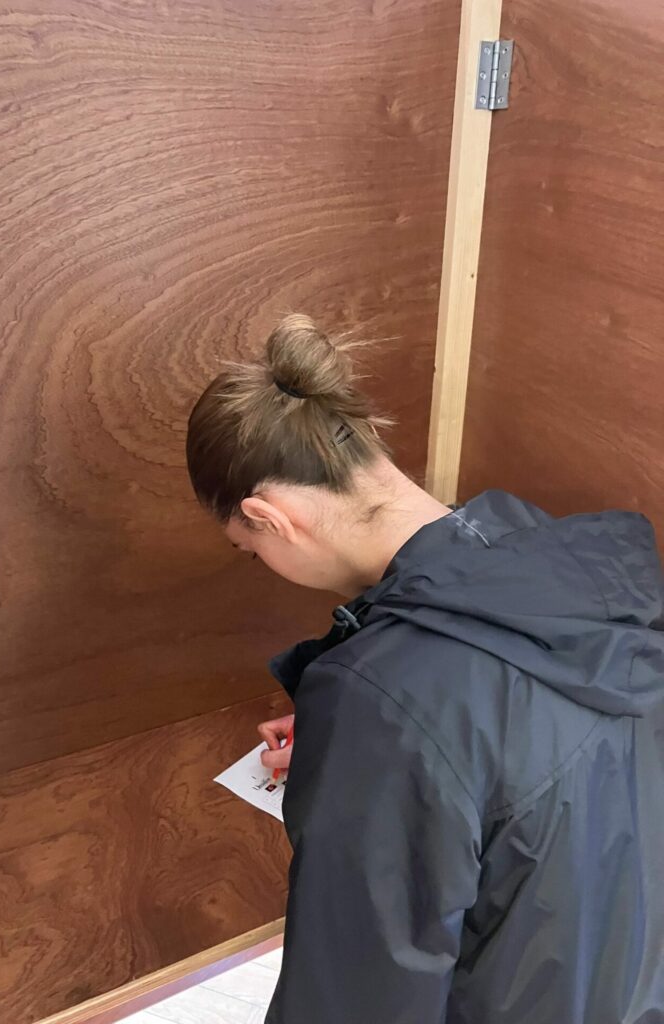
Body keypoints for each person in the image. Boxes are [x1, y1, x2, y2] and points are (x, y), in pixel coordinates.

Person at [186, 313, 664, 1024]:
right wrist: (378, 737)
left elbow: (355, 1000)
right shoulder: (562, 559)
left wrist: (376, 730)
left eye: (251, 550)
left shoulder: (385, 704)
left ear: (271, 517)